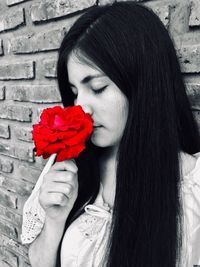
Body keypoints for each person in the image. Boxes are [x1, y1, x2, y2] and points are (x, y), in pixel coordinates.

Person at [21, 1, 200, 267]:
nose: (81, 108)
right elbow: (38, 261)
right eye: (74, 92)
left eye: (98, 87)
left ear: (143, 85)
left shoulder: (193, 188)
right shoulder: (70, 168)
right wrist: (55, 219)